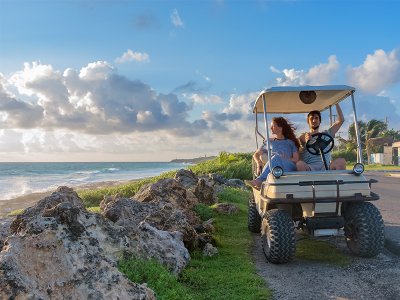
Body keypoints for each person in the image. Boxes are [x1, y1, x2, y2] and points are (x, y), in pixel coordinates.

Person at [245, 117, 300, 189]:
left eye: (273, 126)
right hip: (275, 168)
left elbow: (296, 159)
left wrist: (285, 158)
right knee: (276, 157)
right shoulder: (269, 142)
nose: (270, 128)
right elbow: (256, 154)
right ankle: (262, 180)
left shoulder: (290, 142)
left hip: (288, 166)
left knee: (277, 157)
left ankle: (260, 180)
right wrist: (258, 163)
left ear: (280, 128)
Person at [296, 104, 346, 171]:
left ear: (320, 121)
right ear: (308, 122)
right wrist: (305, 140)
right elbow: (300, 143)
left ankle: (337, 181)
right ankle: (307, 181)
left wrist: (336, 103)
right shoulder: (304, 136)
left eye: (316, 118)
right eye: (311, 118)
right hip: (310, 167)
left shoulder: (327, 134)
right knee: (299, 164)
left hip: (327, 167)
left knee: (341, 161)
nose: (314, 120)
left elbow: (341, 120)